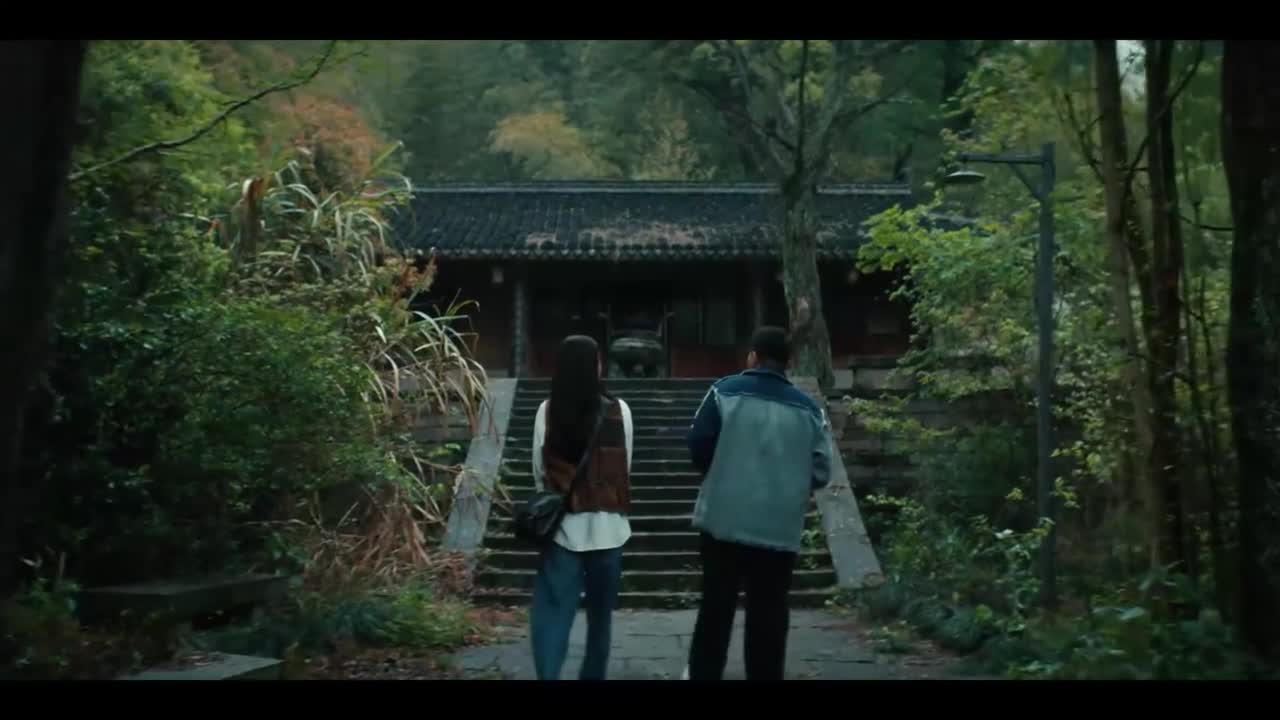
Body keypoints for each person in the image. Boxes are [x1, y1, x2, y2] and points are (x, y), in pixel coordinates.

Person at [683, 326, 833, 681]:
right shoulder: (810, 410)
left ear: (753, 356)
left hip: (723, 520)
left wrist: (722, 471)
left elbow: (698, 445)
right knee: (769, 614)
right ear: (788, 362)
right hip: (779, 528)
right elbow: (821, 471)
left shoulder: (723, 392)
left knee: (715, 610)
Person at [529, 334, 634, 680]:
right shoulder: (620, 411)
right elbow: (625, 466)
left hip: (564, 532)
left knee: (552, 616)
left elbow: (539, 471)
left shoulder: (547, 411)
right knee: (600, 621)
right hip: (609, 531)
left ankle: (548, 675)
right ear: (595, 367)